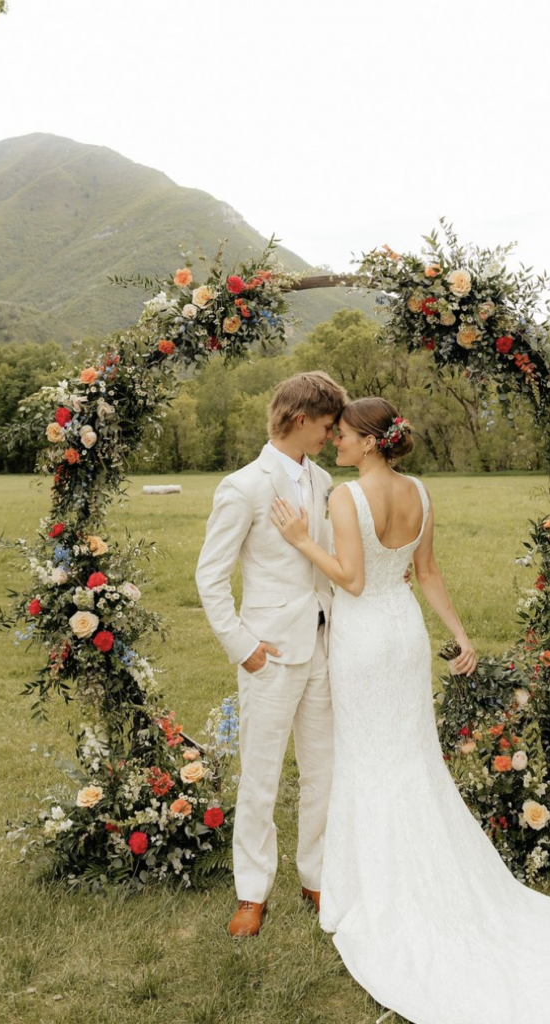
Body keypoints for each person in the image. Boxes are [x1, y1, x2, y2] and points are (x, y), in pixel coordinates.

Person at [270, 396, 550, 1024]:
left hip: (363, 641)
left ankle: (376, 891)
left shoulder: (343, 497)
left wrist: (301, 539)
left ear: (368, 441)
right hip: (407, 635)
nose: (334, 441)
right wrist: (461, 635)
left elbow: (352, 581)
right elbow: (429, 571)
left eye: (343, 435)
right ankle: (409, 875)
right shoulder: (418, 491)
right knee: (411, 757)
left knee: (369, 758)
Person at [195, 371, 347, 938]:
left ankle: (317, 876)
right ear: (300, 419)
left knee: (322, 771)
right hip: (271, 652)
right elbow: (210, 577)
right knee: (259, 777)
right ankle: (252, 892)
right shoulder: (244, 486)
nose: (333, 436)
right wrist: (243, 647)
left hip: (323, 646)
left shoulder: (325, 479)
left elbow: (327, 560)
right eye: (328, 425)